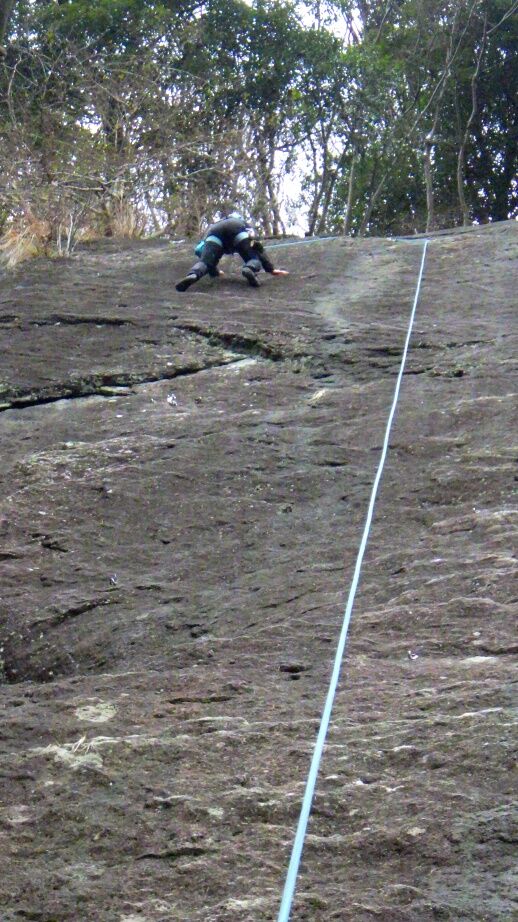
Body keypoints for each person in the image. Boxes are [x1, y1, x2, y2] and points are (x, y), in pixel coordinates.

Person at [175, 212, 289, 292]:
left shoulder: (218, 224)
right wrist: (271, 269)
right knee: (254, 258)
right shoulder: (242, 223)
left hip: (214, 232)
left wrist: (214, 272)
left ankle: (193, 274)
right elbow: (257, 247)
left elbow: (201, 251)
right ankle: (249, 268)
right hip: (237, 230)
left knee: (205, 262)